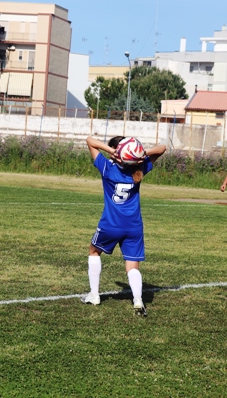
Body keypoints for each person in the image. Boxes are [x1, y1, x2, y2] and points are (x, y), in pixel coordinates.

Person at [82, 135, 166, 316]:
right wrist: (139, 155)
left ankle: (94, 295)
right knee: (132, 266)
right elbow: (162, 148)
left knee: (94, 251)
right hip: (134, 226)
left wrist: (114, 153)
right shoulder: (140, 168)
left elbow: (90, 141)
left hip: (111, 224)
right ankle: (138, 300)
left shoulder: (108, 168)